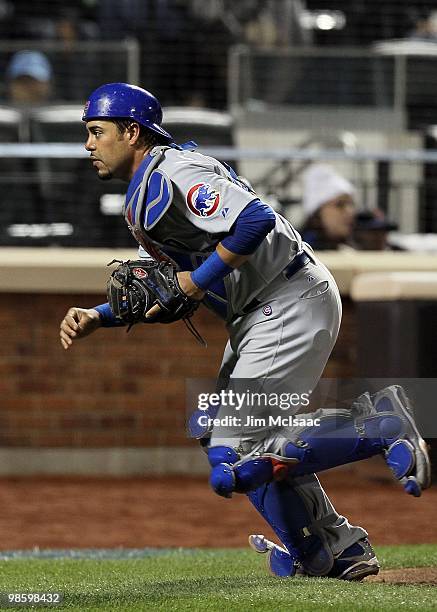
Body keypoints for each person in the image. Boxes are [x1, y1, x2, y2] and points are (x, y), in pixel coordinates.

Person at [59, 83, 430, 579]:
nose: (88, 144)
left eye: (96, 131)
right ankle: (329, 550)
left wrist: (196, 282)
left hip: (286, 297)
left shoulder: (175, 171)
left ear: (131, 132)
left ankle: (378, 424)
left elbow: (255, 221)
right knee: (216, 436)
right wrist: (100, 315)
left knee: (242, 452)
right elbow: (168, 289)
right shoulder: (146, 188)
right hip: (260, 311)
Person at [300, 163, 356, 250]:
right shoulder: (298, 253)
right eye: (340, 204)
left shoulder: (352, 248)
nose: (350, 211)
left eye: (351, 204)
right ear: (317, 213)